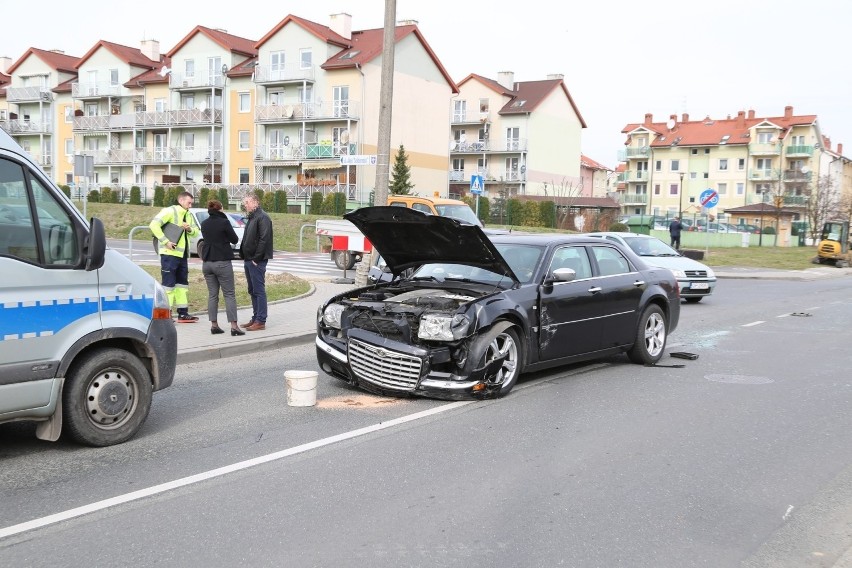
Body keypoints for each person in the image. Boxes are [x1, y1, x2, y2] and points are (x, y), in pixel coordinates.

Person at [149, 191, 200, 322]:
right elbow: (153, 225)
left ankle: (183, 313)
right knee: (168, 286)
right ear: (181, 201)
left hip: (182, 255)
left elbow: (196, 232)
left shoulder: (188, 214)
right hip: (169, 255)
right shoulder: (170, 211)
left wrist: (189, 229)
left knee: (182, 285)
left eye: (191, 203)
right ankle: (167, 314)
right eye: (189, 203)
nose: (190, 206)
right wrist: (166, 242)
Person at [200, 200, 245, 337]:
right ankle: (234, 327)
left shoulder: (204, 223)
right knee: (229, 294)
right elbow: (234, 239)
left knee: (213, 295)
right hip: (222, 262)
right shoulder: (224, 222)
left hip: (207, 263)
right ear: (221, 209)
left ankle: (214, 325)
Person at [239, 192, 273, 331]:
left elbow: (264, 239)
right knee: (252, 290)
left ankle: (261, 320)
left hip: (256, 260)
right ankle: (255, 317)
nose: (245, 205)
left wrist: (256, 258)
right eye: (244, 203)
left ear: (255, 202)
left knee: (259, 290)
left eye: (247, 202)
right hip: (248, 259)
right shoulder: (252, 217)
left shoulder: (263, 217)